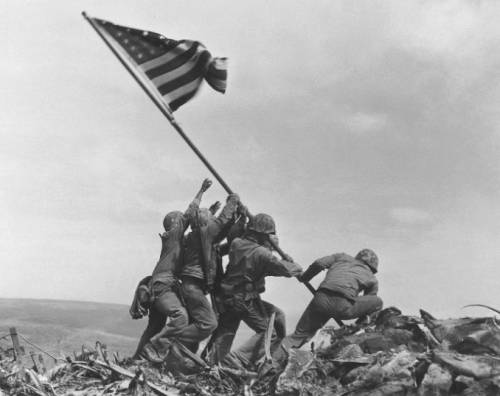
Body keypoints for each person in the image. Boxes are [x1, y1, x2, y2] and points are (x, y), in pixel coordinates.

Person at [210, 213, 303, 368]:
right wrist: (292, 263)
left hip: (228, 297)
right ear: (263, 235)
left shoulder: (237, 243)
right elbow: (288, 270)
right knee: (269, 333)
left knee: (228, 331)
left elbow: (262, 267)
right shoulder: (262, 254)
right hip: (243, 299)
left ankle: (214, 364)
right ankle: (237, 359)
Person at [137, 178, 213, 362]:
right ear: (174, 223)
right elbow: (189, 214)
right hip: (163, 286)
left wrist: (213, 212)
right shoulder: (173, 236)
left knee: (155, 326)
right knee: (180, 317)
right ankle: (155, 347)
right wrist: (201, 191)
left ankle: (137, 359)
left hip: (160, 286)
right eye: (180, 221)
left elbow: (197, 226)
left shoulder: (176, 241)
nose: (184, 222)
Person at [279, 249, 383, 355]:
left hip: (320, 300)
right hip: (343, 306)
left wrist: (305, 277)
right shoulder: (372, 278)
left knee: (298, 336)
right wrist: (358, 324)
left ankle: (271, 361)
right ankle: (357, 330)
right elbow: (368, 302)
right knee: (377, 302)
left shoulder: (341, 257)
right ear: (372, 267)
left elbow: (319, 263)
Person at [175, 192, 241, 352]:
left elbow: (221, 233)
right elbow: (222, 221)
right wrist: (232, 201)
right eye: (211, 218)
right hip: (193, 287)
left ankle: (180, 358)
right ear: (205, 222)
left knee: (195, 325)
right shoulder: (205, 233)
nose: (213, 220)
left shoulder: (196, 237)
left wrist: (237, 218)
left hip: (190, 286)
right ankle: (168, 340)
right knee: (209, 323)